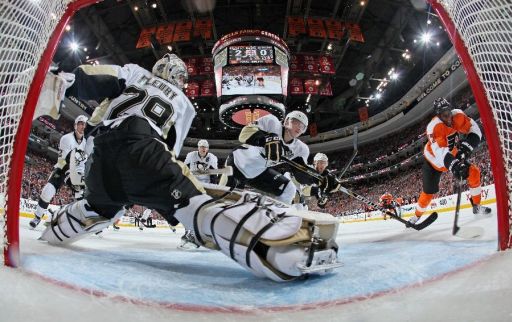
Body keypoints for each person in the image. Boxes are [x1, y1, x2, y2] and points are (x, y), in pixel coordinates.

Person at [37, 54, 340, 282]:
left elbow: (94, 89)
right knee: (196, 206)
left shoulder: (134, 73)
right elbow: (168, 148)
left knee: (97, 208)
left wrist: (63, 83)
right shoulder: (183, 102)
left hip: (100, 155)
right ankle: (281, 252)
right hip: (147, 148)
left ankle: (50, 236)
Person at [222, 111, 340, 206]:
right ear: (286, 121)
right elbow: (243, 135)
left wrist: (320, 179)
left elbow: (300, 173)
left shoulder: (301, 149)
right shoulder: (272, 122)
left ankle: (275, 221)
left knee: (289, 190)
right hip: (237, 164)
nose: (299, 127)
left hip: (258, 173)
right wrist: (266, 139)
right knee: (223, 201)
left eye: (302, 126)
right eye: (296, 122)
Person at [408, 98, 491, 226]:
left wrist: (466, 147)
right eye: (443, 115)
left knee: (474, 172)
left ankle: (476, 206)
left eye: (448, 112)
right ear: (438, 115)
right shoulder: (434, 127)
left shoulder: (458, 115)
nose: (447, 117)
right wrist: (455, 166)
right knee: (428, 193)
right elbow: (440, 153)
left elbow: (475, 130)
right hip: (434, 162)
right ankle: (416, 216)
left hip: (452, 155)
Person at [29, 115, 89, 228]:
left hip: (77, 171)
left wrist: (81, 177)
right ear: (75, 125)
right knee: (48, 191)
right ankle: (37, 217)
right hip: (63, 169)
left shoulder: (86, 143)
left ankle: (83, 221)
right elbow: (64, 161)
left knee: (81, 195)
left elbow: (83, 163)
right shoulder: (67, 138)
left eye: (84, 124)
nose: (82, 126)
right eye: (80, 123)